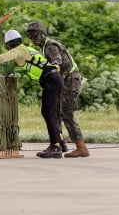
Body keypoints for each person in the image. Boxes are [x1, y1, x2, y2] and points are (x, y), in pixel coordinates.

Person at [0, 28, 65, 158]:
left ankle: (55, 146)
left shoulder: (18, 51)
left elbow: (4, 57)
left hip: (52, 79)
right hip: (54, 78)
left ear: (8, 45)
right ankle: (60, 143)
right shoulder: (26, 48)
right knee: (50, 112)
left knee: (48, 112)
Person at [26, 20, 89, 158]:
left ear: (43, 34)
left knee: (66, 113)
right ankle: (59, 143)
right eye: (30, 34)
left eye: (35, 34)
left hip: (70, 81)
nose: (32, 37)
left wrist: (53, 70)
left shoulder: (50, 46)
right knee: (55, 111)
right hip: (65, 81)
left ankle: (81, 147)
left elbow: (57, 61)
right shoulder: (44, 47)